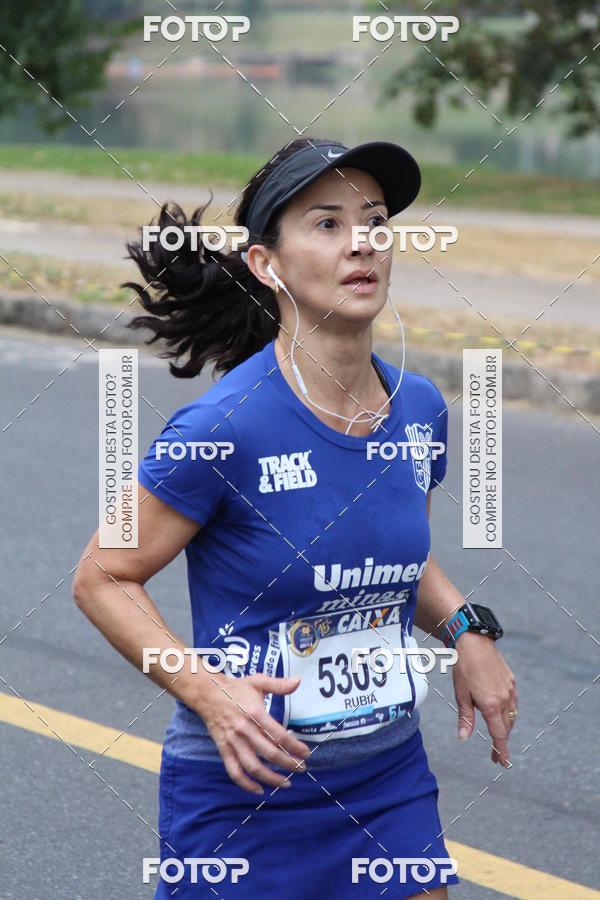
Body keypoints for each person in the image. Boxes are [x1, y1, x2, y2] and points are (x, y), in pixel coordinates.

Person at [72, 137, 517, 899]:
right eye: (328, 224)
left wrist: (464, 629)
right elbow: (101, 576)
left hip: (388, 780)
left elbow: (389, 552)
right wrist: (209, 692)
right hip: (247, 794)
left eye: (375, 221)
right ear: (267, 265)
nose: (363, 243)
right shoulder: (224, 428)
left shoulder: (419, 409)